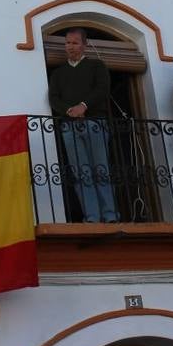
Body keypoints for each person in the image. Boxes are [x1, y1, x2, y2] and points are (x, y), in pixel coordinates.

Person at [48, 28, 117, 223]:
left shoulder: (96, 66)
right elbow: (54, 98)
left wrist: (83, 106)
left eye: (75, 43)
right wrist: (69, 111)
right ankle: (92, 217)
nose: (70, 46)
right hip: (69, 127)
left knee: (101, 169)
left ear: (84, 45)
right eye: (67, 43)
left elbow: (102, 89)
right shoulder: (58, 74)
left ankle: (110, 215)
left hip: (94, 123)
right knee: (81, 173)